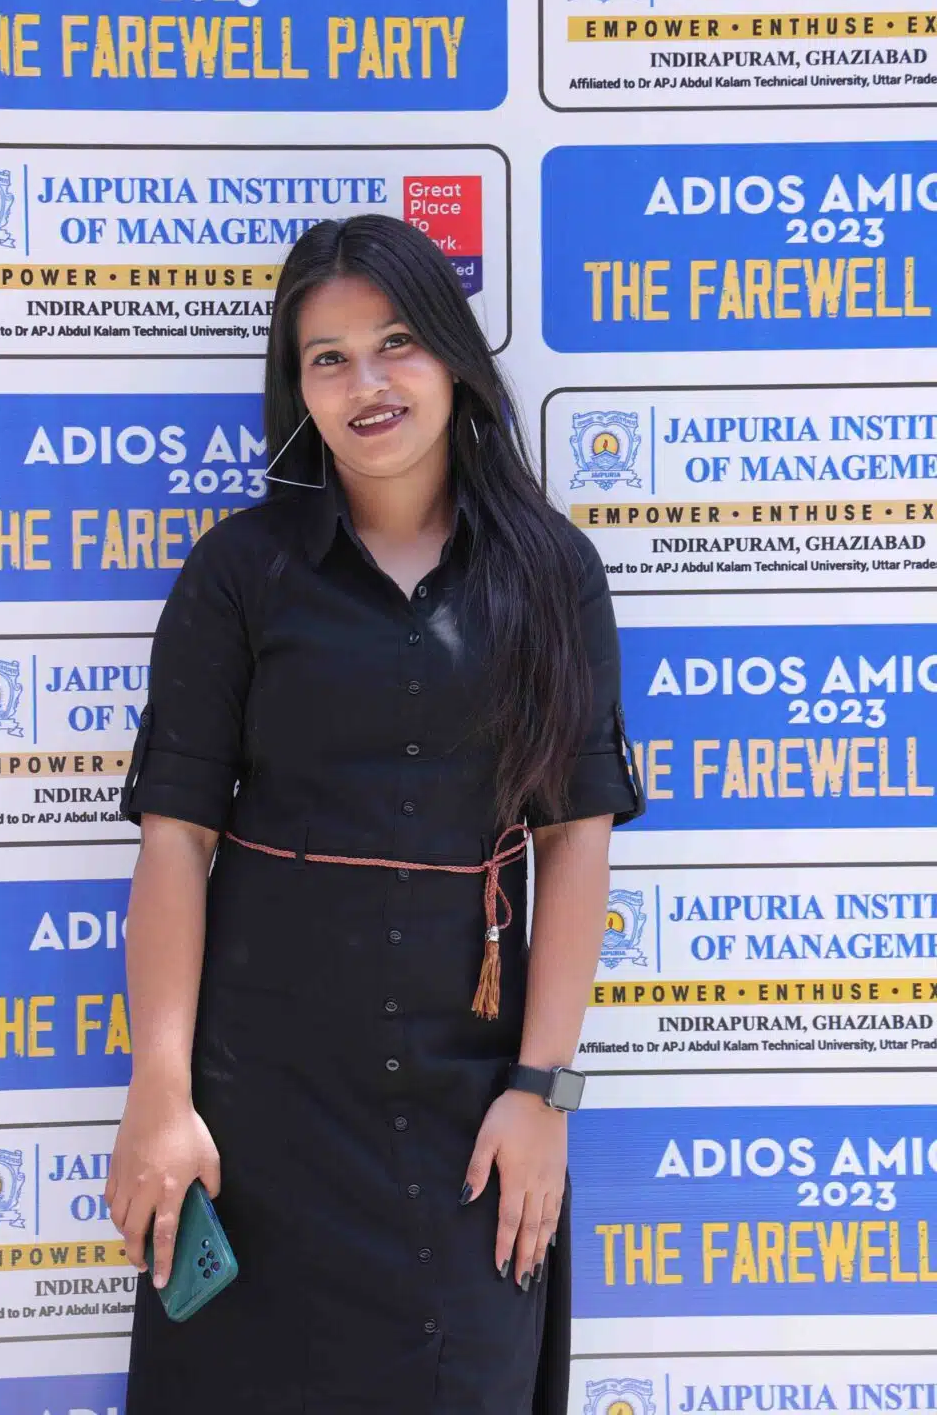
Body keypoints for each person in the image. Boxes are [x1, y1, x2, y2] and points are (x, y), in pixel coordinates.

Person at [108, 213, 644, 1415]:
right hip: (258, 1107)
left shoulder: (550, 573)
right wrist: (161, 1091)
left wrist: (541, 1092)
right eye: (328, 358)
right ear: (296, 389)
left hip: (469, 1110)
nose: (368, 384)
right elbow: (176, 839)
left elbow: (574, 840)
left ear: (451, 354)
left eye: (396, 342)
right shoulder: (240, 572)